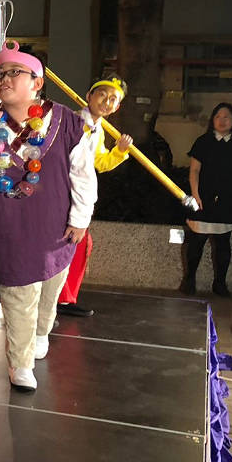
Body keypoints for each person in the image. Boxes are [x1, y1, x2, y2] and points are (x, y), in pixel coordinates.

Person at [0, 45, 96, 390]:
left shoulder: (67, 121)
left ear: (37, 82)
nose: (4, 79)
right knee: (18, 291)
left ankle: (42, 331)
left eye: (14, 72)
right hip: (11, 223)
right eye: (1, 73)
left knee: (51, 285)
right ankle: (20, 363)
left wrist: (81, 216)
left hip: (56, 222)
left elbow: (83, 174)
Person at [56, 76, 133, 316]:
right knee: (66, 245)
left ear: (117, 107)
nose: (106, 102)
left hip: (80, 198)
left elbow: (99, 163)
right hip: (65, 195)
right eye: (102, 95)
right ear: (89, 96)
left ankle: (65, 299)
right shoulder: (73, 122)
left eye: (113, 99)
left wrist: (119, 152)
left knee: (80, 246)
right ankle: (56, 299)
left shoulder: (98, 129)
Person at [180, 103, 232, 297]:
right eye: (218, 116)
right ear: (212, 120)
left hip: (228, 200)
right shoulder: (203, 142)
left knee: (223, 243)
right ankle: (189, 280)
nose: (222, 120)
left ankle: (220, 283)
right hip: (203, 198)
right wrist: (195, 194)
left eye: (226, 116)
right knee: (196, 241)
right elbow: (194, 171)